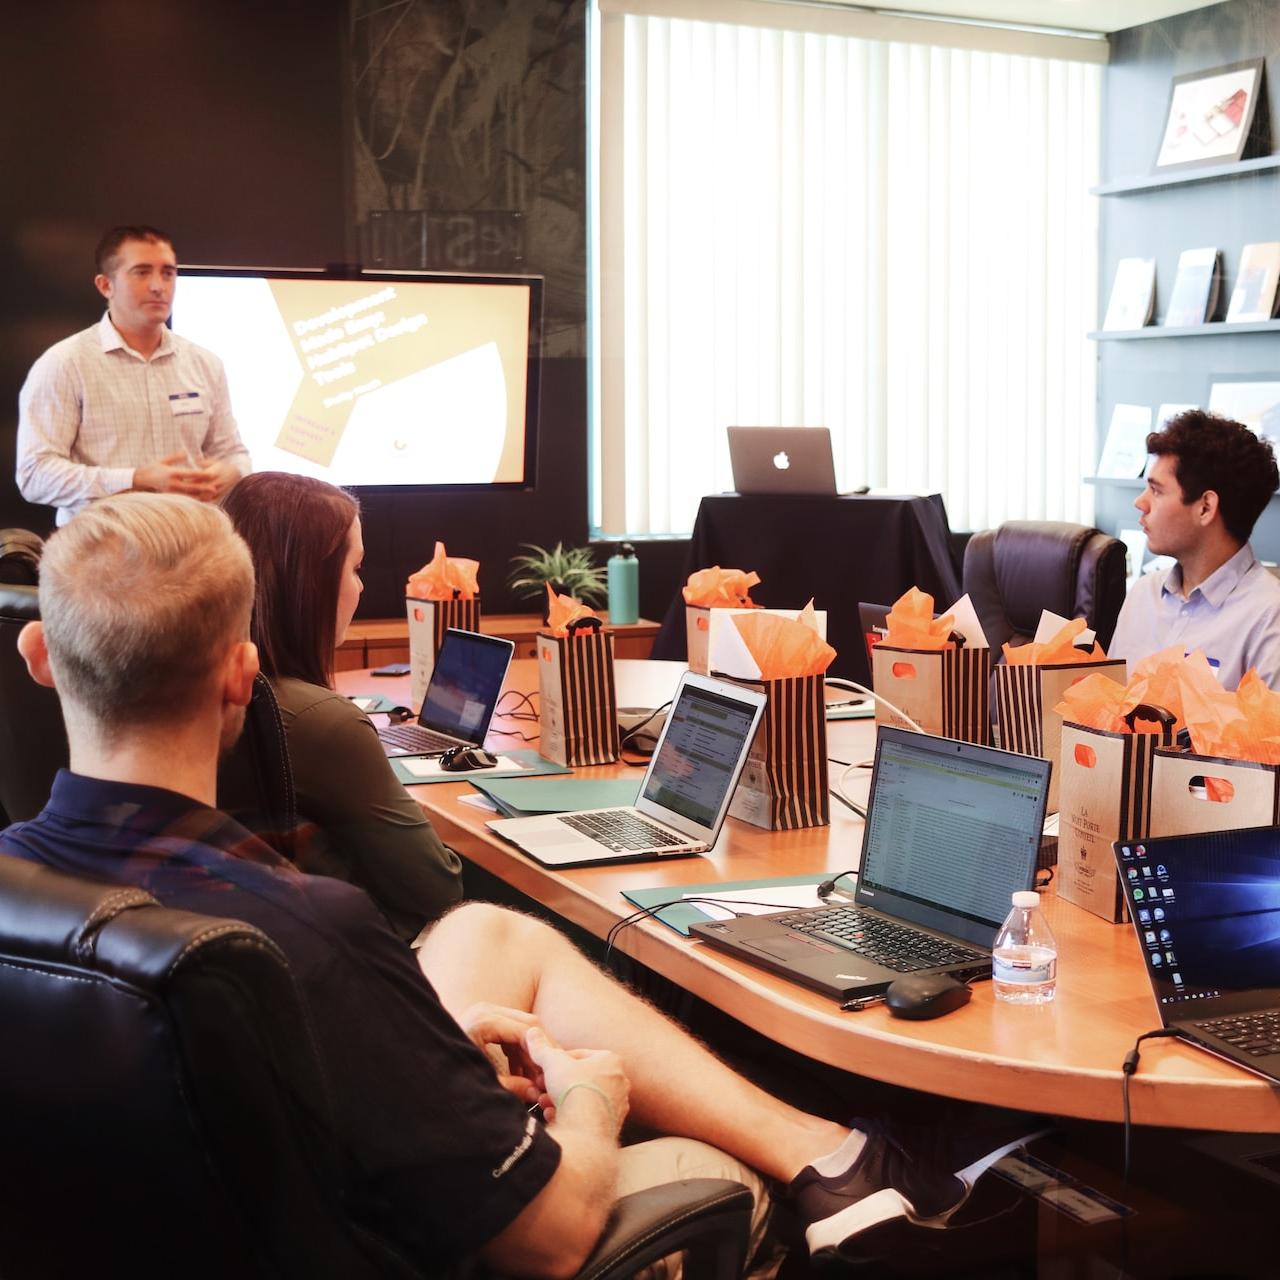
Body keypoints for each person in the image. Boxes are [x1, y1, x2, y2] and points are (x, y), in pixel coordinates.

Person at [0, 492, 1037, 1275]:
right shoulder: (305, 929)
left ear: (40, 656)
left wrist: (428, 1061)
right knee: (699, 1170)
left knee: (489, 930)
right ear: (239, 674)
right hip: (405, 1241)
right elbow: (545, 1234)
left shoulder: (23, 882)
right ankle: (826, 1168)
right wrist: (588, 1102)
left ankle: (834, 1148)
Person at [221, 470, 463, 938]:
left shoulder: (199, 689)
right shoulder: (322, 721)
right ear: (308, 582)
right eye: (355, 568)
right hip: (358, 958)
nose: (362, 587)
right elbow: (439, 889)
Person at [16, 224, 250, 525]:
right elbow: (34, 475)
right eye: (142, 272)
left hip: (193, 546)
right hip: (102, 552)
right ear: (105, 285)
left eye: (167, 272)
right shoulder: (64, 364)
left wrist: (230, 471)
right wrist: (135, 479)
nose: (158, 286)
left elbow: (235, 455)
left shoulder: (205, 363)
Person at [1109, 410, 1280, 690]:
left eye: (1157, 490)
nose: (1140, 503)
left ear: (1205, 507)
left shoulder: (1269, 615)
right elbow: (1105, 717)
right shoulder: (1142, 595)